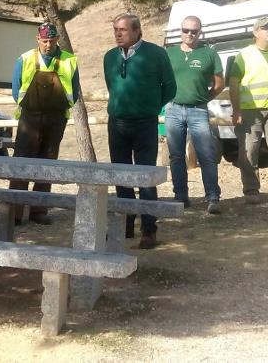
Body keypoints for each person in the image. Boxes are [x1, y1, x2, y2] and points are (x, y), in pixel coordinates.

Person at [104, 13, 176, 249]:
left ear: (136, 31)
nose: (118, 34)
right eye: (115, 29)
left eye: (122, 30)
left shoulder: (156, 54)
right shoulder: (109, 57)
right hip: (117, 123)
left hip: (144, 123)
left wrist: (150, 108)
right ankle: (125, 224)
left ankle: (148, 229)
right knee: (121, 176)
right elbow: (112, 86)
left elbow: (170, 88)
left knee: (145, 178)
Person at [9, 22, 79, 225]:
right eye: (44, 41)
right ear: (37, 39)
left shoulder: (69, 61)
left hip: (56, 119)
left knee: (47, 162)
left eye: (52, 40)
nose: (48, 45)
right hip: (29, 117)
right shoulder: (25, 59)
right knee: (22, 163)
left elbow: (74, 91)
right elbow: (15, 90)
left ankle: (39, 210)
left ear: (58, 39)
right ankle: (15, 211)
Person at [165, 16, 224, 214]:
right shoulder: (169, 53)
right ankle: (180, 196)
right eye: (186, 30)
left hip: (199, 110)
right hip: (173, 110)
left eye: (194, 31)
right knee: (176, 156)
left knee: (207, 154)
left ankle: (213, 196)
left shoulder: (209, 54)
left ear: (200, 32)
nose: (189, 34)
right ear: (180, 31)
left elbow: (219, 84)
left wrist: (204, 98)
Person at [229, 16, 268, 204]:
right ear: (255, 32)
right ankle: (251, 190)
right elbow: (234, 83)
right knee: (249, 150)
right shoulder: (244, 55)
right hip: (250, 111)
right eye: (265, 28)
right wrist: (236, 110)